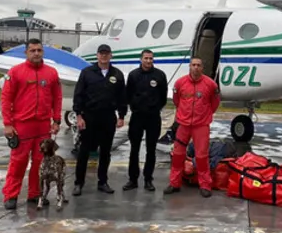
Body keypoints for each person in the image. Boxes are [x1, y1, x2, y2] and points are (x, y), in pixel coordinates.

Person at [0, 39, 62, 210]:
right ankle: (11, 195)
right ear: (26, 52)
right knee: (18, 162)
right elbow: (6, 98)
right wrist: (7, 124)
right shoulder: (15, 72)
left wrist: (56, 120)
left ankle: (35, 194)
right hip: (22, 126)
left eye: (39, 50)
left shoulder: (51, 73)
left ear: (43, 52)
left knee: (40, 162)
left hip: (43, 126)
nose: (36, 53)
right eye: (32, 50)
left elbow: (57, 98)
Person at [72, 43, 127, 195]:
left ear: (111, 56)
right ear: (97, 55)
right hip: (89, 117)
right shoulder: (87, 72)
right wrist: (78, 115)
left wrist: (121, 116)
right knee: (84, 151)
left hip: (108, 117)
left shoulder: (117, 74)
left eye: (106, 53)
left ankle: (102, 182)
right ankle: (79, 183)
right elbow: (79, 95)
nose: (104, 56)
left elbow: (122, 97)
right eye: (101, 53)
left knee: (105, 152)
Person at [165, 57, 221, 197]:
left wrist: (204, 115)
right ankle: (174, 183)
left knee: (202, 156)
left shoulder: (210, 85)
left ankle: (205, 185)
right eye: (193, 65)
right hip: (183, 125)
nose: (196, 67)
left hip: (201, 126)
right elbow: (177, 101)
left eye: (198, 65)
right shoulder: (180, 83)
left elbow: (214, 103)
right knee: (178, 155)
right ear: (189, 67)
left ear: (202, 68)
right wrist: (184, 115)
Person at [124, 49, 168, 192]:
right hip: (137, 117)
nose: (148, 61)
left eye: (151, 58)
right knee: (134, 149)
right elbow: (128, 95)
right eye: (146, 58)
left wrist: (154, 107)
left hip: (153, 118)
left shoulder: (160, 75)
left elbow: (163, 97)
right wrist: (136, 106)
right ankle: (133, 179)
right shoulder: (133, 75)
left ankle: (148, 179)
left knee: (151, 149)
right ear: (141, 59)